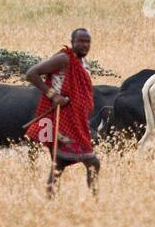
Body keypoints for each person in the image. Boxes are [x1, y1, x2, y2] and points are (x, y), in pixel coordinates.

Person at [24, 28, 100, 197]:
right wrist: (52, 94)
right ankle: (95, 199)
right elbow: (31, 74)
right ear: (72, 42)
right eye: (81, 41)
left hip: (76, 118)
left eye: (88, 41)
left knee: (58, 163)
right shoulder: (64, 58)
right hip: (62, 117)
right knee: (92, 161)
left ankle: (50, 199)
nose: (85, 45)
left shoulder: (84, 63)